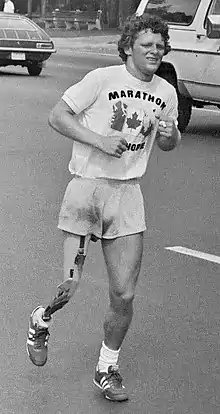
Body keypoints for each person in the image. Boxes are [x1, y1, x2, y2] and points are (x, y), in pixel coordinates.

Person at [26, 13, 181, 402]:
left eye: (160, 46)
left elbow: (167, 144)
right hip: (86, 190)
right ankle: (41, 318)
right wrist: (97, 139)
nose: (154, 51)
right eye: (146, 45)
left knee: (124, 294)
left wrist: (170, 134)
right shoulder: (101, 79)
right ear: (128, 46)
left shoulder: (166, 91)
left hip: (127, 195)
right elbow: (57, 115)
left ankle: (106, 368)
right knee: (70, 286)